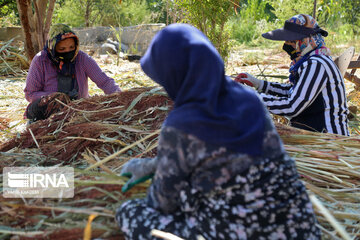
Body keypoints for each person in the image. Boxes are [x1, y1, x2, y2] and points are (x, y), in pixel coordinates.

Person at [115, 23, 320, 240]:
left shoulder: (182, 126)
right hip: (299, 227)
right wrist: (156, 165)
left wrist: (158, 175)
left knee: (129, 212)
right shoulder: (249, 100)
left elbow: (162, 203)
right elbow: (229, 160)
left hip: (239, 233)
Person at [235, 14, 349, 135]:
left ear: (305, 41)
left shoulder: (316, 64)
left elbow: (293, 106)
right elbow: (295, 91)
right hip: (313, 135)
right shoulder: (313, 61)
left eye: (292, 42)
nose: (288, 47)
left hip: (329, 142)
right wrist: (259, 84)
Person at [24, 23, 120, 122]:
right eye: (62, 49)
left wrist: (119, 97)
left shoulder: (81, 58)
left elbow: (105, 82)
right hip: (46, 113)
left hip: (77, 111)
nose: (68, 52)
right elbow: (30, 94)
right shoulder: (41, 60)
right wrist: (56, 97)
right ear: (52, 46)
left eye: (71, 47)